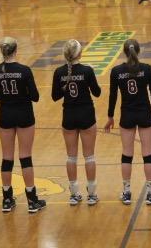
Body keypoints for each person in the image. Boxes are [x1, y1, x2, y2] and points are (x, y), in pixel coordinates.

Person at [104, 39, 151, 205]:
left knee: (127, 154)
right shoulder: (147, 69)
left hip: (127, 115)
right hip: (145, 114)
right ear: (139, 51)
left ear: (125, 52)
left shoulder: (116, 71)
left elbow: (113, 96)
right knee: (148, 153)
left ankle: (126, 192)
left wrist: (110, 116)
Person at [0, 37, 47, 213]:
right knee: (25, 157)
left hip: (5, 115)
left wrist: (7, 95)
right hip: (24, 115)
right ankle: (31, 200)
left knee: (7, 158)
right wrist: (22, 94)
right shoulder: (24, 70)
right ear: (16, 50)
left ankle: (7, 199)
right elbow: (35, 96)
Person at [51, 40, 102, 205]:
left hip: (69, 116)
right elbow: (97, 92)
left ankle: (73, 194)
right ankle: (92, 195)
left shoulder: (59, 72)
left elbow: (55, 96)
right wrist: (91, 78)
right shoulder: (87, 70)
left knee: (71, 157)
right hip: (86, 115)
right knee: (89, 156)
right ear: (80, 54)